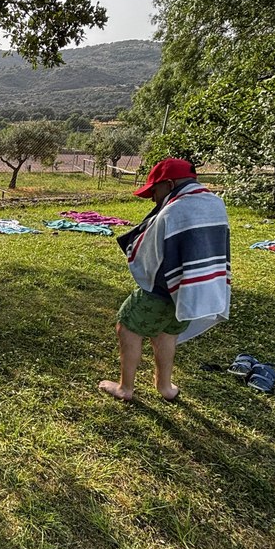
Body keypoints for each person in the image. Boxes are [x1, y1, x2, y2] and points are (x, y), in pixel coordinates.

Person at [99, 158, 231, 403]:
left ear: (169, 184)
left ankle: (124, 389)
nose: (153, 198)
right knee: (167, 333)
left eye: (155, 190)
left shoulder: (174, 209)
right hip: (194, 290)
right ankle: (165, 387)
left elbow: (150, 252)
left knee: (127, 327)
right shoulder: (215, 203)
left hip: (162, 290)